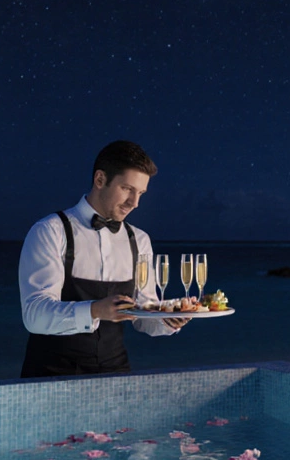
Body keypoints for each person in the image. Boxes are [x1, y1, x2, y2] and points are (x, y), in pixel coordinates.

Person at [18, 140, 189, 376]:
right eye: (127, 189)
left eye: (140, 193)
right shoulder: (50, 231)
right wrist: (95, 310)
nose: (135, 203)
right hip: (50, 373)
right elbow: (34, 315)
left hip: (115, 372)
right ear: (100, 180)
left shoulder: (139, 240)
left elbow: (142, 315)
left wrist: (168, 320)